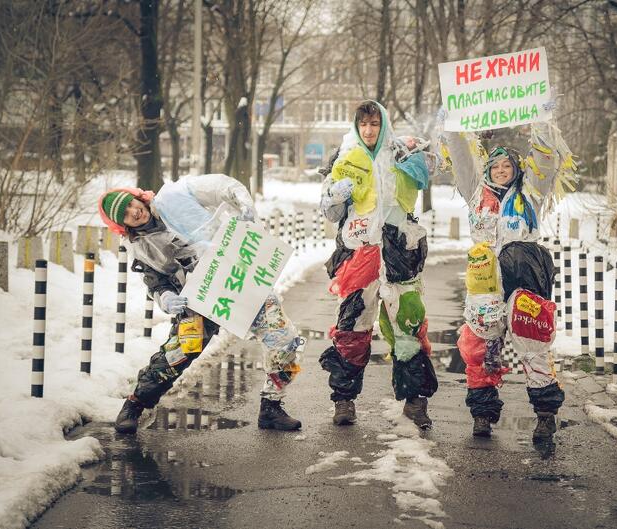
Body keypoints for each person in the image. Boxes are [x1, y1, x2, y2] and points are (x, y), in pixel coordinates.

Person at [98, 173, 303, 434]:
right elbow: (156, 283)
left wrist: (244, 205)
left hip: (242, 280)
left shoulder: (174, 196)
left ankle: (271, 407)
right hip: (198, 300)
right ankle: (135, 405)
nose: (134, 212)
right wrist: (166, 298)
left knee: (285, 340)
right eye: (125, 214)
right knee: (178, 352)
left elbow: (221, 187)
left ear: (138, 197)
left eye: (131, 204)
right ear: (122, 225)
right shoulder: (141, 248)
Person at [441, 119, 577, 439]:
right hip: (486, 279)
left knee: (532, 342)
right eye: (495, 165)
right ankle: (483, 414)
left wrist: (542, 122)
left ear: (517, 169)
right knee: (479, 345)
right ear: (487, 170)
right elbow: (460, 155)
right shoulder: (475, 192)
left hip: (525, 272)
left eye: (507, 165)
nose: (501, 169)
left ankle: (545, 414)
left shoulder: (529, 193)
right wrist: (452, 124)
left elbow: (544, 159)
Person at [318, 100, 438, 428]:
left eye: (374, 124)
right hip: (359, 253)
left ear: (383, 124)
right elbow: (328, 212)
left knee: (408, 323)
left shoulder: (399, 153)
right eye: (363, 125)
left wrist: (432, 148)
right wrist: (335, 197)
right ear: (356, 127)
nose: (369, 130)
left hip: (400, 251)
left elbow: (431, 171)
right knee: (353, 325)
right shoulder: (342, 158)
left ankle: (415, 401)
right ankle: (343, 400)